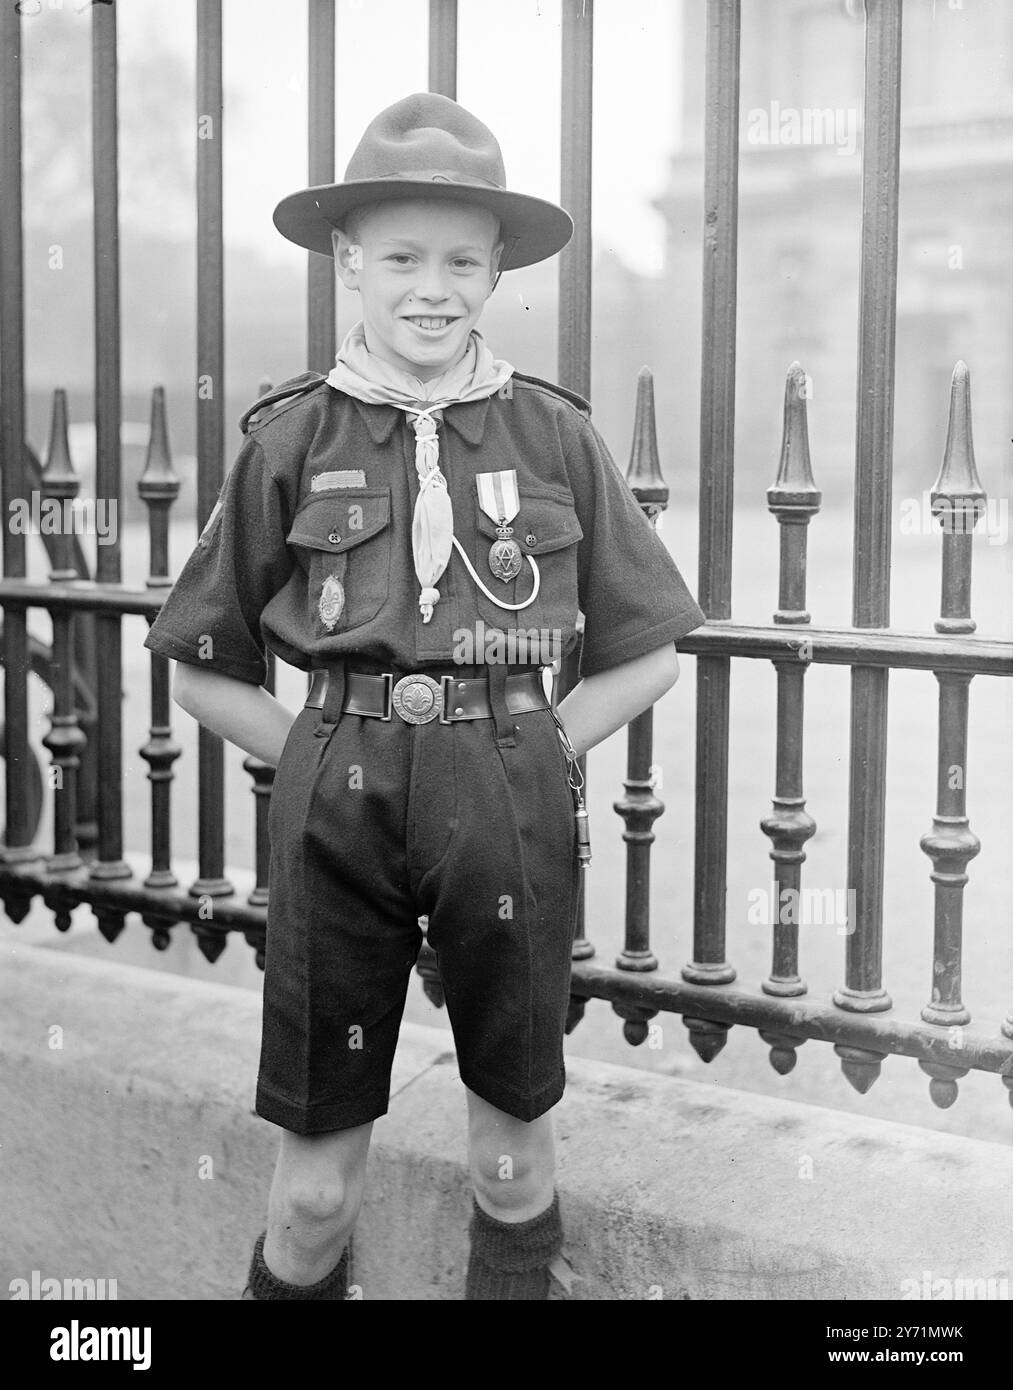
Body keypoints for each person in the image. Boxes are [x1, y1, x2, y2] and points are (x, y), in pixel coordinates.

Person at [144, 92, 705, 1301]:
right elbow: (199, 661)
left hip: (503, 788)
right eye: (399, 257)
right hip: (333, 801)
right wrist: (321, 745)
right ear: (349, 264)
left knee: (508, 1165)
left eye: (460, 259)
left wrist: (538, 742)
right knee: (310, 1193)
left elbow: (647, 647)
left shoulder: (550, 435)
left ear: (497, 266)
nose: (431, 287)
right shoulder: (290, 439)